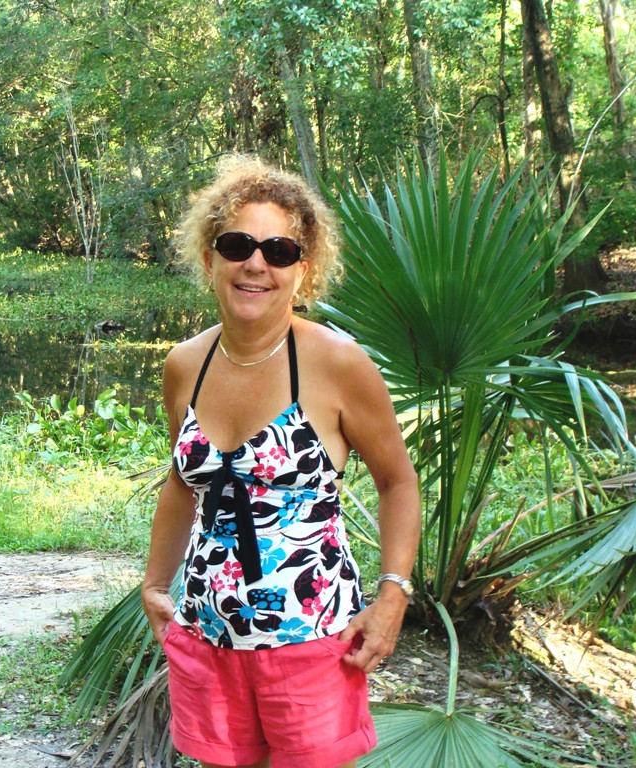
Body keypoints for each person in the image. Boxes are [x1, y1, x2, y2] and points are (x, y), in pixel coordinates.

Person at [141, 155, 421, 768]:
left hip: (311, 638)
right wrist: (155, 584)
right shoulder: (185, 364)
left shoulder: (338, 363)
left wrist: (392, 595)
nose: (256, 263)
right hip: (208, 631)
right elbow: (182, 484)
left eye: (279, 250)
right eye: (237, 244)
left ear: (304, 269)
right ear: (210, 258)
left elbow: (397, 482)